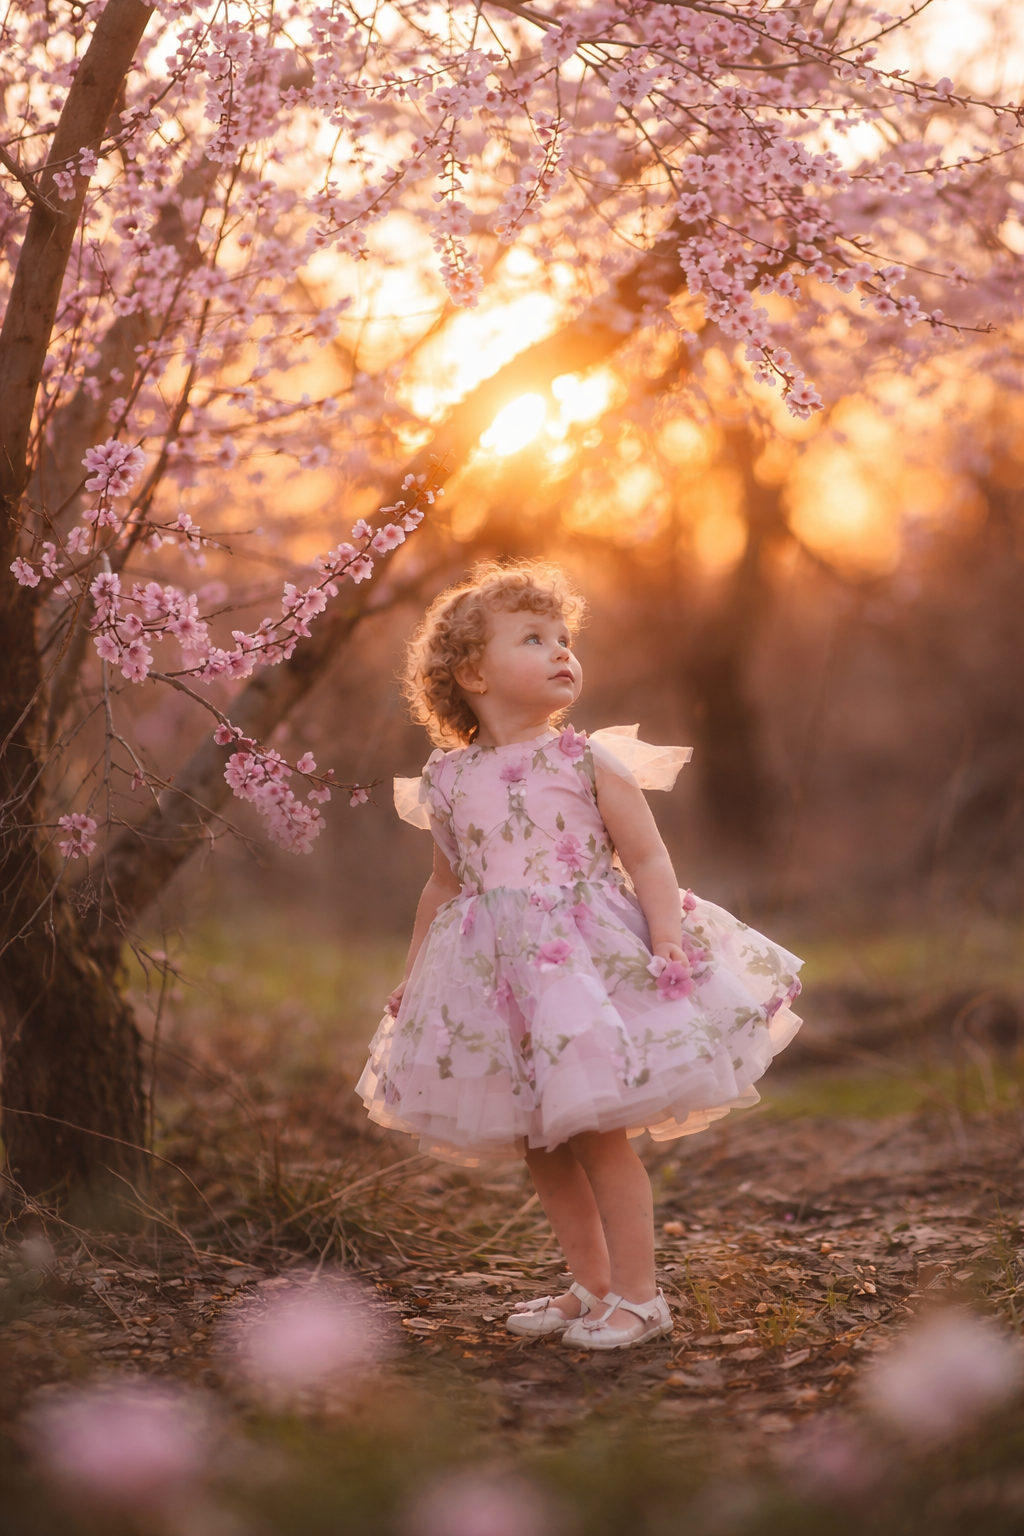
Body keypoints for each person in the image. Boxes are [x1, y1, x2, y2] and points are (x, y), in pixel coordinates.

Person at [357, 560, 803, 1351]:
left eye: (566, 638)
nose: (563, 650)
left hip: (585, 969)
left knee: (597, 1132)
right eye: (535, 639)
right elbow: (442, 885)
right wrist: (414, 975)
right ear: (472, 673)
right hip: (496, 982)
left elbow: (651, 859)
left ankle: (640, 1295)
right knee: (541, 1143)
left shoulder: (587, 760)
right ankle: (591, 1286)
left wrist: (668, 935)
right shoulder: (448, 778)